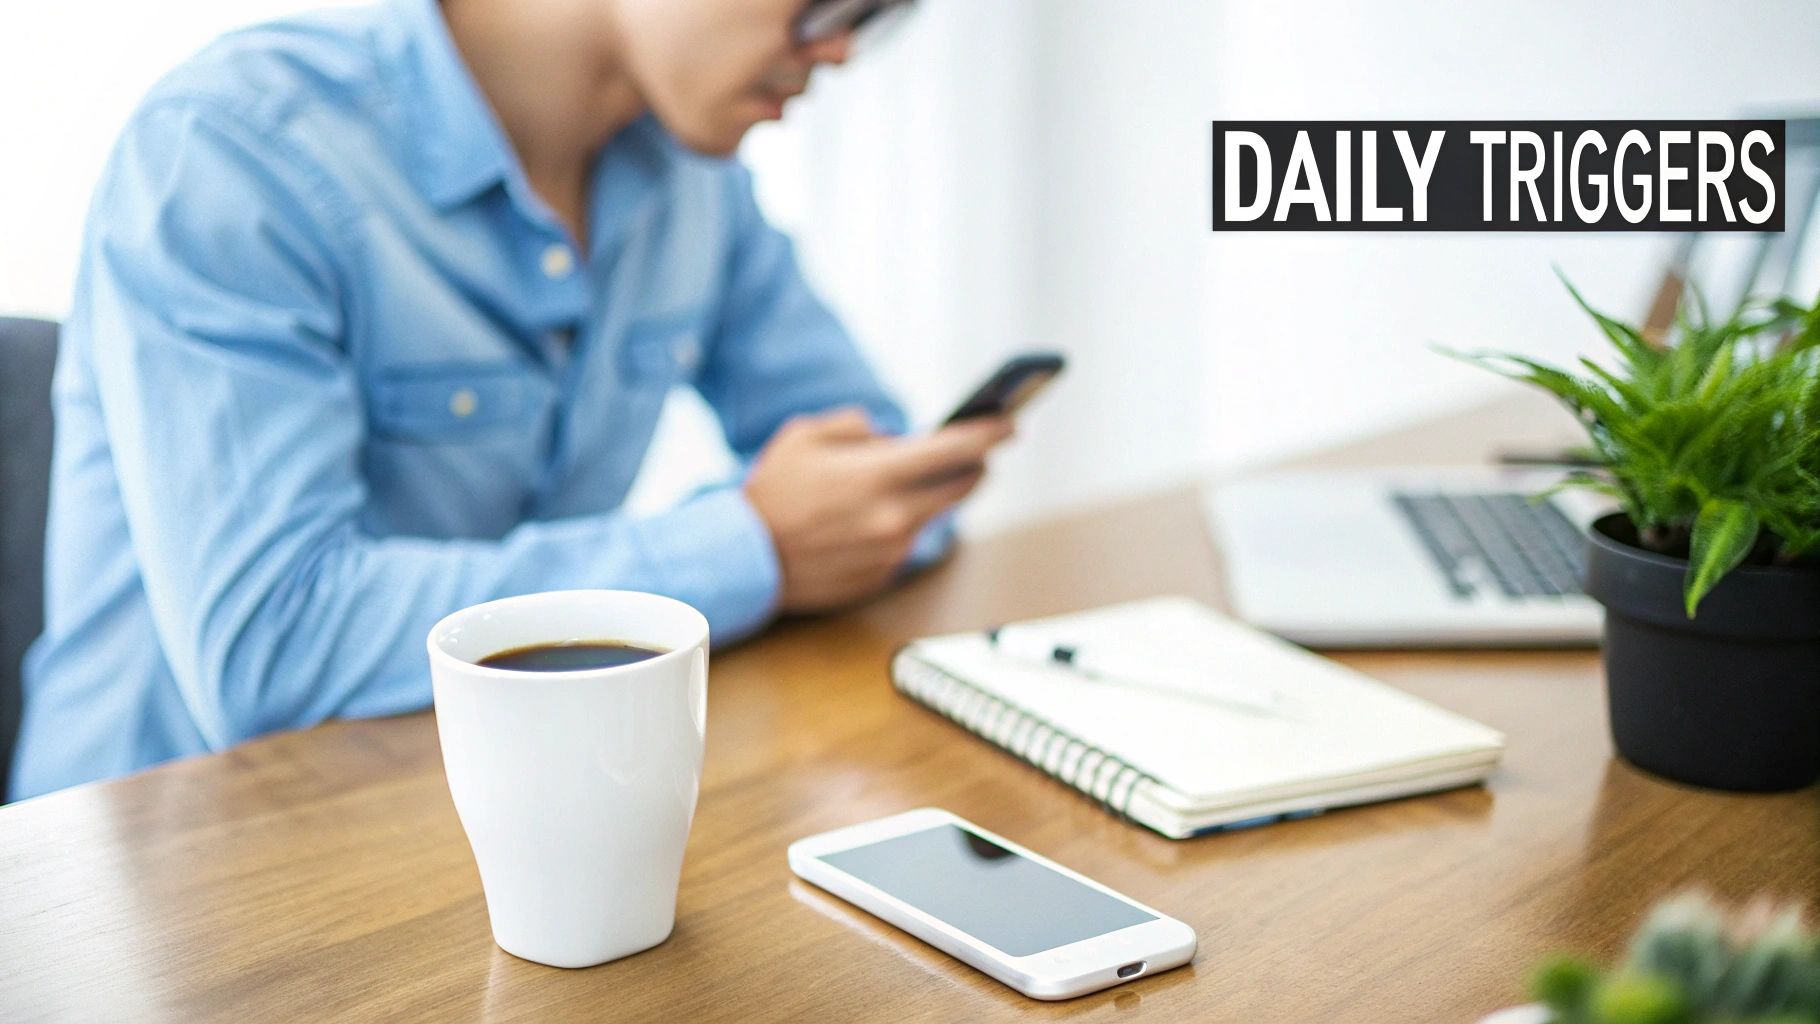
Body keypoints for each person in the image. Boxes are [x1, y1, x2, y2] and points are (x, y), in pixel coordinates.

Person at [9, 0, 1013, 800]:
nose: (836, 50)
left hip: (480, 809)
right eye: (828, 1)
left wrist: (833, 520)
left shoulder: (689, 179)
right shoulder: (232, 152)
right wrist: (747, 548)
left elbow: (870, 463)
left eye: (875, 15)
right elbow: (271, 650)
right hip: (152, 870)